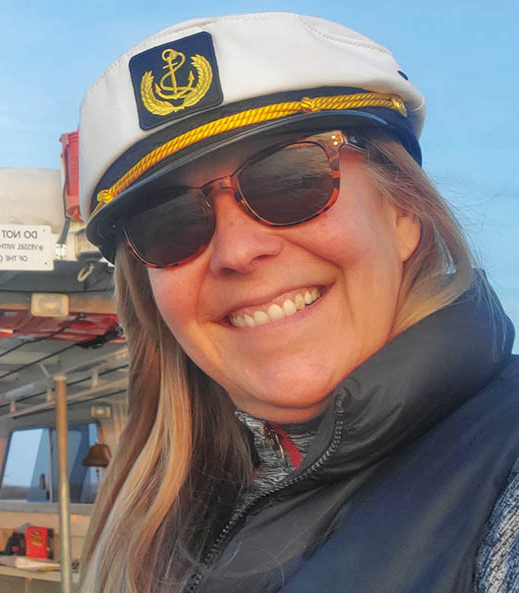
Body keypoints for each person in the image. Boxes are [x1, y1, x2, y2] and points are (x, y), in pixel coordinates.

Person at [75, 12, 519, 593]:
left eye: (290, 177)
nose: (236, 250)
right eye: (169, 222)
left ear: (403, 212)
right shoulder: (169, 519)